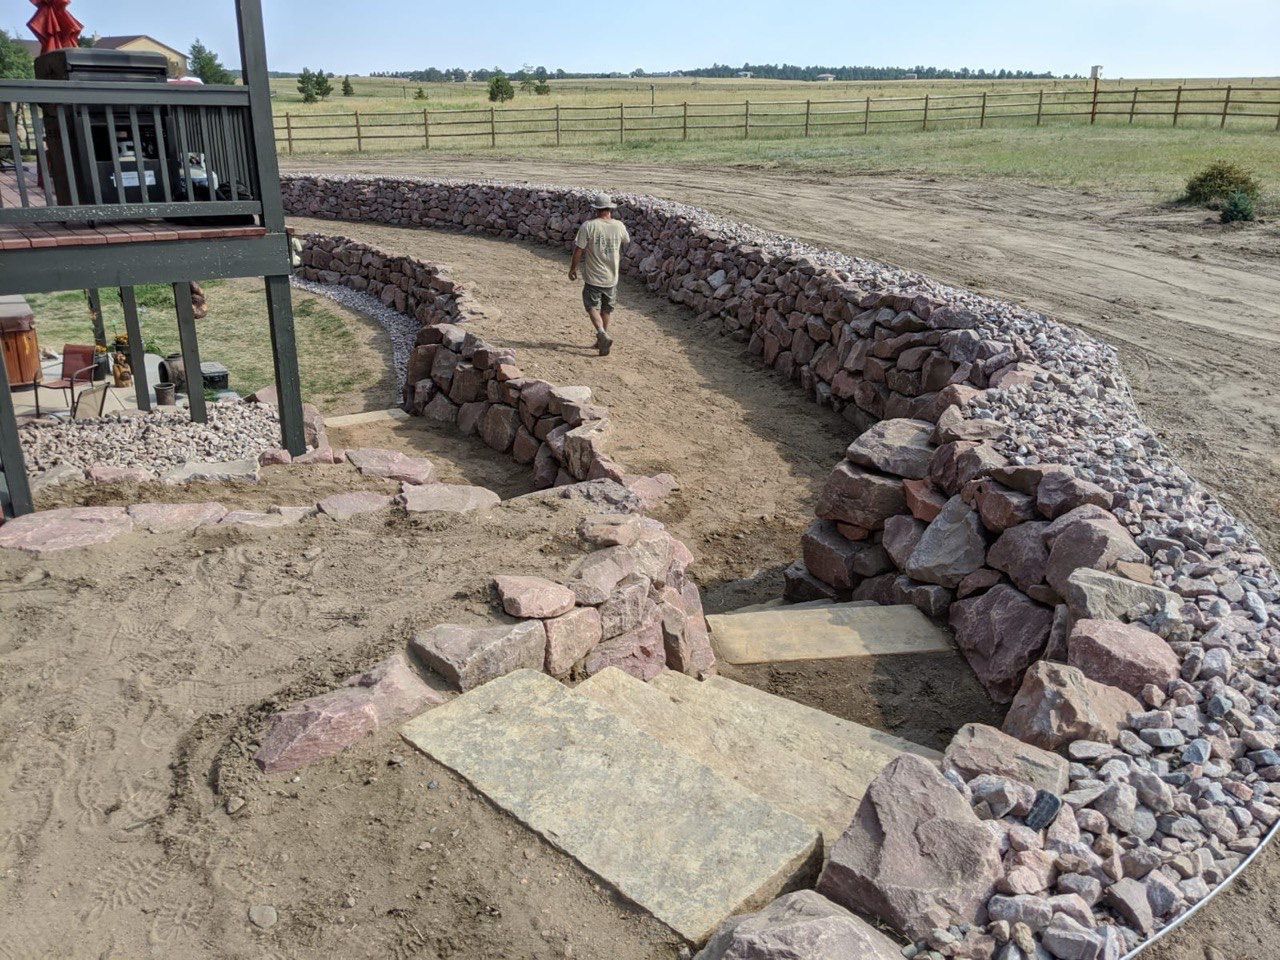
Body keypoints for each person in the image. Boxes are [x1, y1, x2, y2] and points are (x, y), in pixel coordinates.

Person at [569, 193, 630, 356]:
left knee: (591, 306)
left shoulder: (588, 226)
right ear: (610, 209)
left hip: (593, 277)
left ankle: (601, 333)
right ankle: (601, 341)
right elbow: (626, 241)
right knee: (606, 310)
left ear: (596, 209)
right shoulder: (619, 226)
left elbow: (579, 250)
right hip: (612, 278)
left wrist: (573, 268)